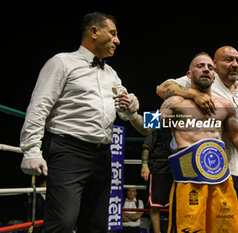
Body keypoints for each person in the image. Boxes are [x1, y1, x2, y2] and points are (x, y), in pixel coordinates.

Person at [19, 12, 146, 233]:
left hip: (103, 154)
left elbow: (124, 113)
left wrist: (129, 107)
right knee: (62, 222)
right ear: (94, 32)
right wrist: (31, 149)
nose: (118, 41)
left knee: (97, 224)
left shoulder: (112, 74)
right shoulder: (62, 62)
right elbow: (39, 106)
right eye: (113, 33)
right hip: (68, 150)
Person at [133, 52, 238, 232]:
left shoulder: (225, 105)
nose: (206, 69)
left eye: (210, 67)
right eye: (200, 66)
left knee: (226, 229)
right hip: (189, 179)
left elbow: (237, 141)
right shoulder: (175, 103)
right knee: (189, 229)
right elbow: (146, 127)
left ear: (214, 76)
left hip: (221, 181)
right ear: (188, 75)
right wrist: (130, 114)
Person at [140, 127, 176, 233]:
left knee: (175, 206)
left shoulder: (179, 125)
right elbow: (146, 146)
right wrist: (144, 165)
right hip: (158, 169)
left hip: (174, 169)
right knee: (155, 206)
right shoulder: (156, 126)